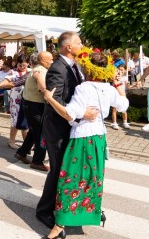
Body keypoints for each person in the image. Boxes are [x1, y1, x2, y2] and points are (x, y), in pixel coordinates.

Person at [42, 49, 128, 239]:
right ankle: (86, 214)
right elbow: (123, 105)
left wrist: (49, 99)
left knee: (70, 179)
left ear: (87, 69)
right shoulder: (110, 88)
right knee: (92, 179)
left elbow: (69, 113)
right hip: (99, 139)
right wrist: (118, 83)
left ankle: (59, 225)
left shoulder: (84, 88)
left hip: (82, 138)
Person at [36, 32, 98, 230]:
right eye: (79, 42)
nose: (82, 45)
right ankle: (44, 211)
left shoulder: (74, 65)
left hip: (69, 127)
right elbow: (57, 103)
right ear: (68, 47)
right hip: (57, 128)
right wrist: (82, 115)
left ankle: (58, 204)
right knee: (57, 170)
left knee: (64, 170)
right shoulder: (57, 69)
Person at [14, 51, 54, 171]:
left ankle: (22, 153)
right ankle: (37, 161)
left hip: (30, 104)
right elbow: (42, 87)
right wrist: (49, 94)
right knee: (41, 134)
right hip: (35, 105)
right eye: (50, 60)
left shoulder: (37, 68)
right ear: (43, 61)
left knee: (34, 131)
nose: (52, 62)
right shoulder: (40, 70)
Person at [5, 54, 30, 149]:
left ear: (28, 64)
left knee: (25, 120)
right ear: (16, 64)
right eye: (20, 65)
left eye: (24, 65)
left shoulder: (31, 72)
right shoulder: (13, 72)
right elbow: (7, 80)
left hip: (27, 98)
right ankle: (11, 141)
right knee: (15, 120)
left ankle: (26, 142)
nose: (22, 67)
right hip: (15, 100)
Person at [109, 64, 130, 129]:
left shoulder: (124, 78)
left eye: (122, 70)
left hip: (123, 94)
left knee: (124, 109)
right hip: (116, 95)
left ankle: (125, 122)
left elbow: (127, 86)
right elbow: (114, 83)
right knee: (115, 109)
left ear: (125, 70)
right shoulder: (115, 78)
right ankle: (114, 123)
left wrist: (131, 85)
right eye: (119, 70)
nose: (120, 71)